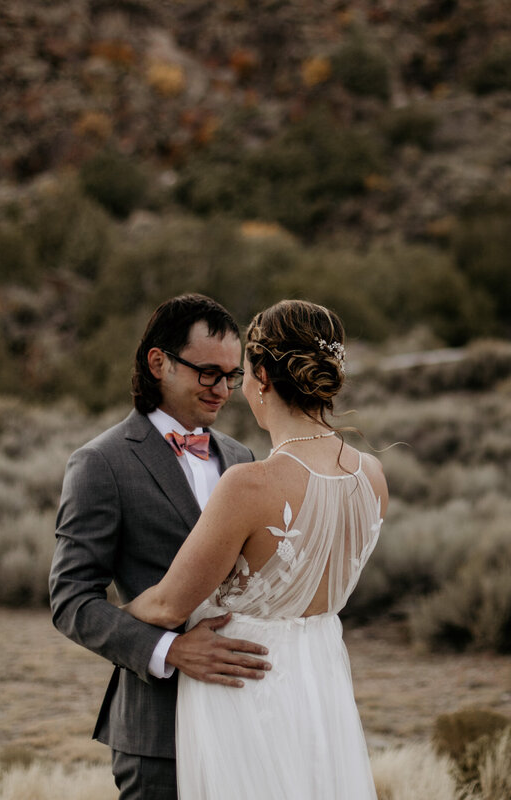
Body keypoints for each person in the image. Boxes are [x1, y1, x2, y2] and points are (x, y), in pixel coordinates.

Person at [124, 299, 389, 800]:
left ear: (262, 375)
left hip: (244, 698)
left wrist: (120, 608)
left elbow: (166, 606)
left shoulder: (250, 484)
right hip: (323, 692)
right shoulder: (372, 476)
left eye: (243, 369)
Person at [50, 293, 273, 800]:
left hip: (245, 720)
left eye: (232, 376)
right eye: (207, 373)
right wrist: (170, 650)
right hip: (158, 731)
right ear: (159, 363)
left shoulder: (242, 458)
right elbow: (71, 602)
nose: (223, 390)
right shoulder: (100, 463)